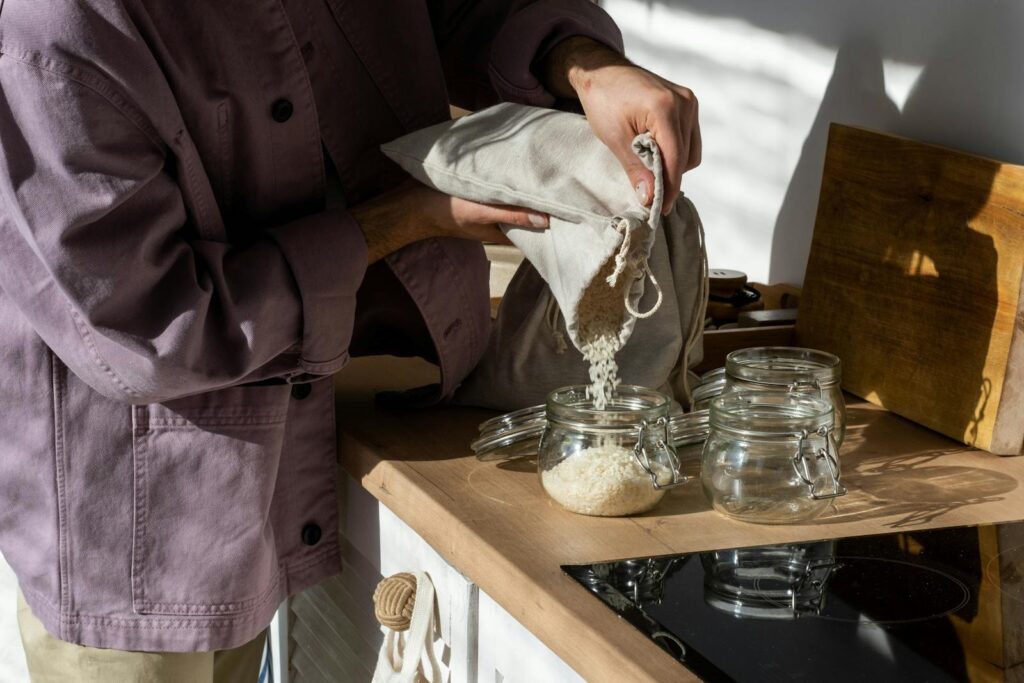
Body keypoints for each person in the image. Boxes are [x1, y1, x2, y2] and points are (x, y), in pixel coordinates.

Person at [0, 0, 700, 680]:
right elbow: (149, 322)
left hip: (279, 462)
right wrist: (401, 221)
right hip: (136, 530)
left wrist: (584, 64)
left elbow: (460, 12)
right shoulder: (53, 29)